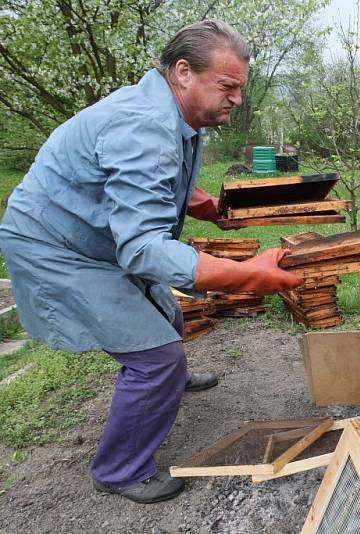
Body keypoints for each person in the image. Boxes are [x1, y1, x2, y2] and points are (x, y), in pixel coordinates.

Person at [0, 20, 302, 504]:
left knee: (167, 309)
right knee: (155, 357)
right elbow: (140, 247)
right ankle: (120, 469)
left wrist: (196, 200)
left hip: (94, 229)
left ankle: (169, 384)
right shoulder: (144, 125)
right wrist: (250, 274)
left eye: (239, 89)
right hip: (56, 244)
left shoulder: (171, 109)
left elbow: (139, 181)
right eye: (228, 87)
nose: (236, 100)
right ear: (183, 72)